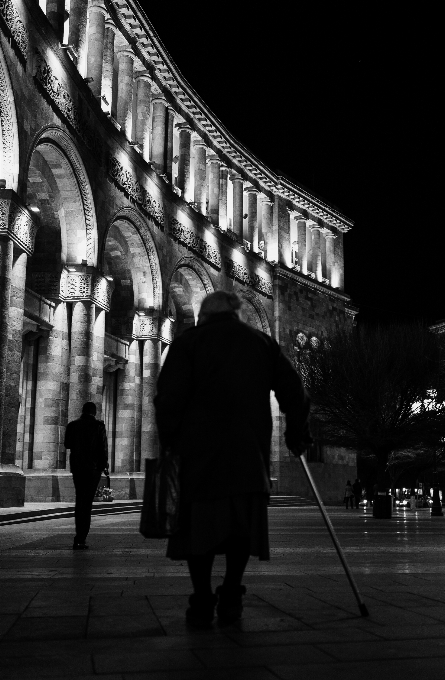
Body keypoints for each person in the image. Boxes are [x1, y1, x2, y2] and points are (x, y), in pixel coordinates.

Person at [154, 291, 310, 627]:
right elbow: (294, 391)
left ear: (205, 315)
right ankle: (231, 594)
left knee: (200, 528)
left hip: (198, 454)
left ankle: (201, 599)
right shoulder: (261, 343)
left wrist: (169, 440)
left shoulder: (188, 342)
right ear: (236, 313)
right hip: (248, 454)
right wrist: (297, 432)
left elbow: (168, 397)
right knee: (241, 527)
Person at [64, 402, 108, 550]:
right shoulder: (99, 426)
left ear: (82, 411)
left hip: (77, 467)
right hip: (93, 469)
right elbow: (103, 448)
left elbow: (67, 444)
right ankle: (81, 538)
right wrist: (104, 466)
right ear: (94, 412)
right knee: (87, 503)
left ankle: (78, 536)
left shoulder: (72, 425)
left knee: (80, 500)